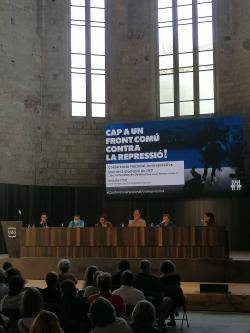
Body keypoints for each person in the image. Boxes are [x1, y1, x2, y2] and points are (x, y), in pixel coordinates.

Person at [158, 260, 183, 328]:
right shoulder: (177, 277)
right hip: (178, 301)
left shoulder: (161, 279)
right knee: (171, 296)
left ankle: (162, 320)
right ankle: (172, 320)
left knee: (166, 297)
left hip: (166, 301)